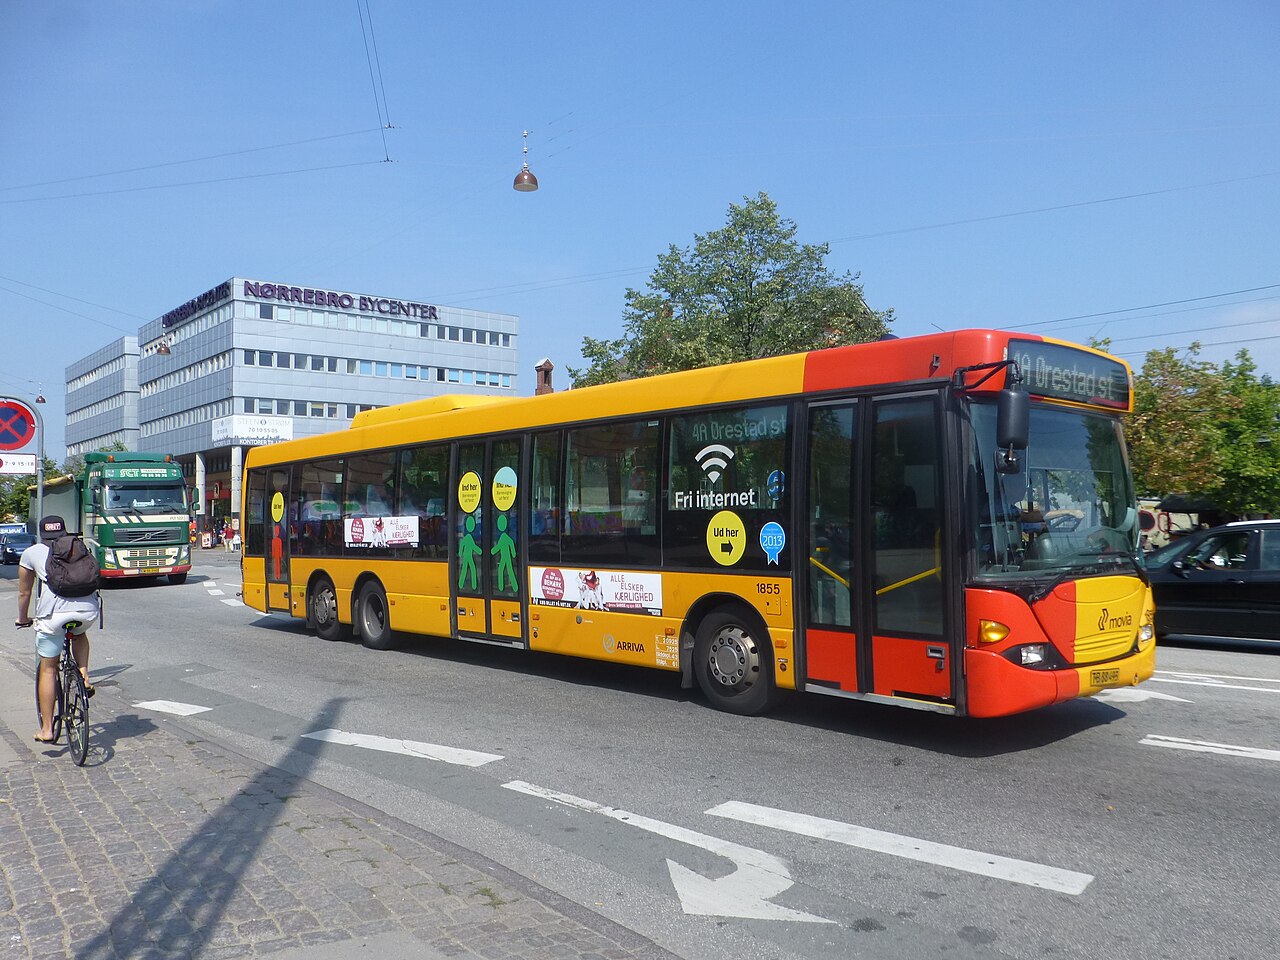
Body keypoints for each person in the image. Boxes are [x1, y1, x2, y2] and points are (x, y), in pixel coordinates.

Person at [15, 516, 101, 744]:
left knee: (48, 670)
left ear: (42, 534)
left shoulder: (32, 553)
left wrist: (22, 618)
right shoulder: (79, 547)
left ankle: (46, 729)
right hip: (88, 611)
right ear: (64, 532)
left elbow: (24, 593)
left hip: (53, 616)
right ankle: (83, 674)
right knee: (79, 633)